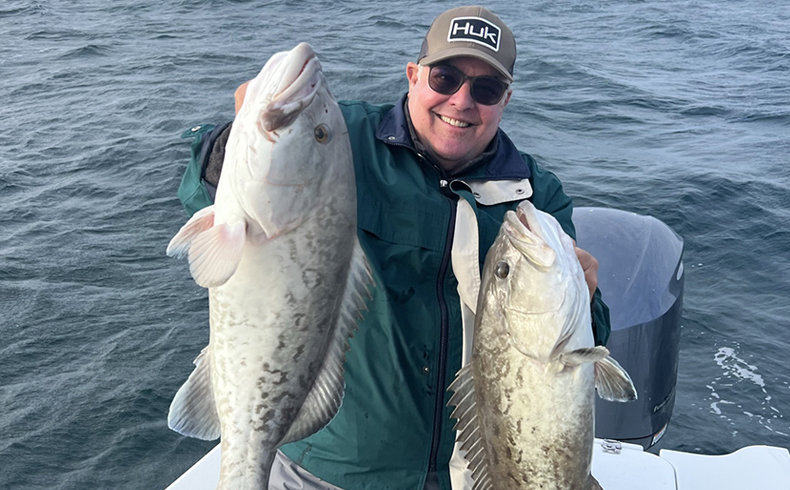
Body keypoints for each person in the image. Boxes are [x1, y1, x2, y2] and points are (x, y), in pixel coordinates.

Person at [176, 6, 610, 490]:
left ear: (505, 100)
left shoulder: (536, 195)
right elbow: (202, 188)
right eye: (445, 77)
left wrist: (586, 299)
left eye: (485, 90)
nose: (461, 101)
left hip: (467, 475)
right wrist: (233, 146)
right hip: (326, 469)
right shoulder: (344, 138)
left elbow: (584, 348)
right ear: (414, 75)